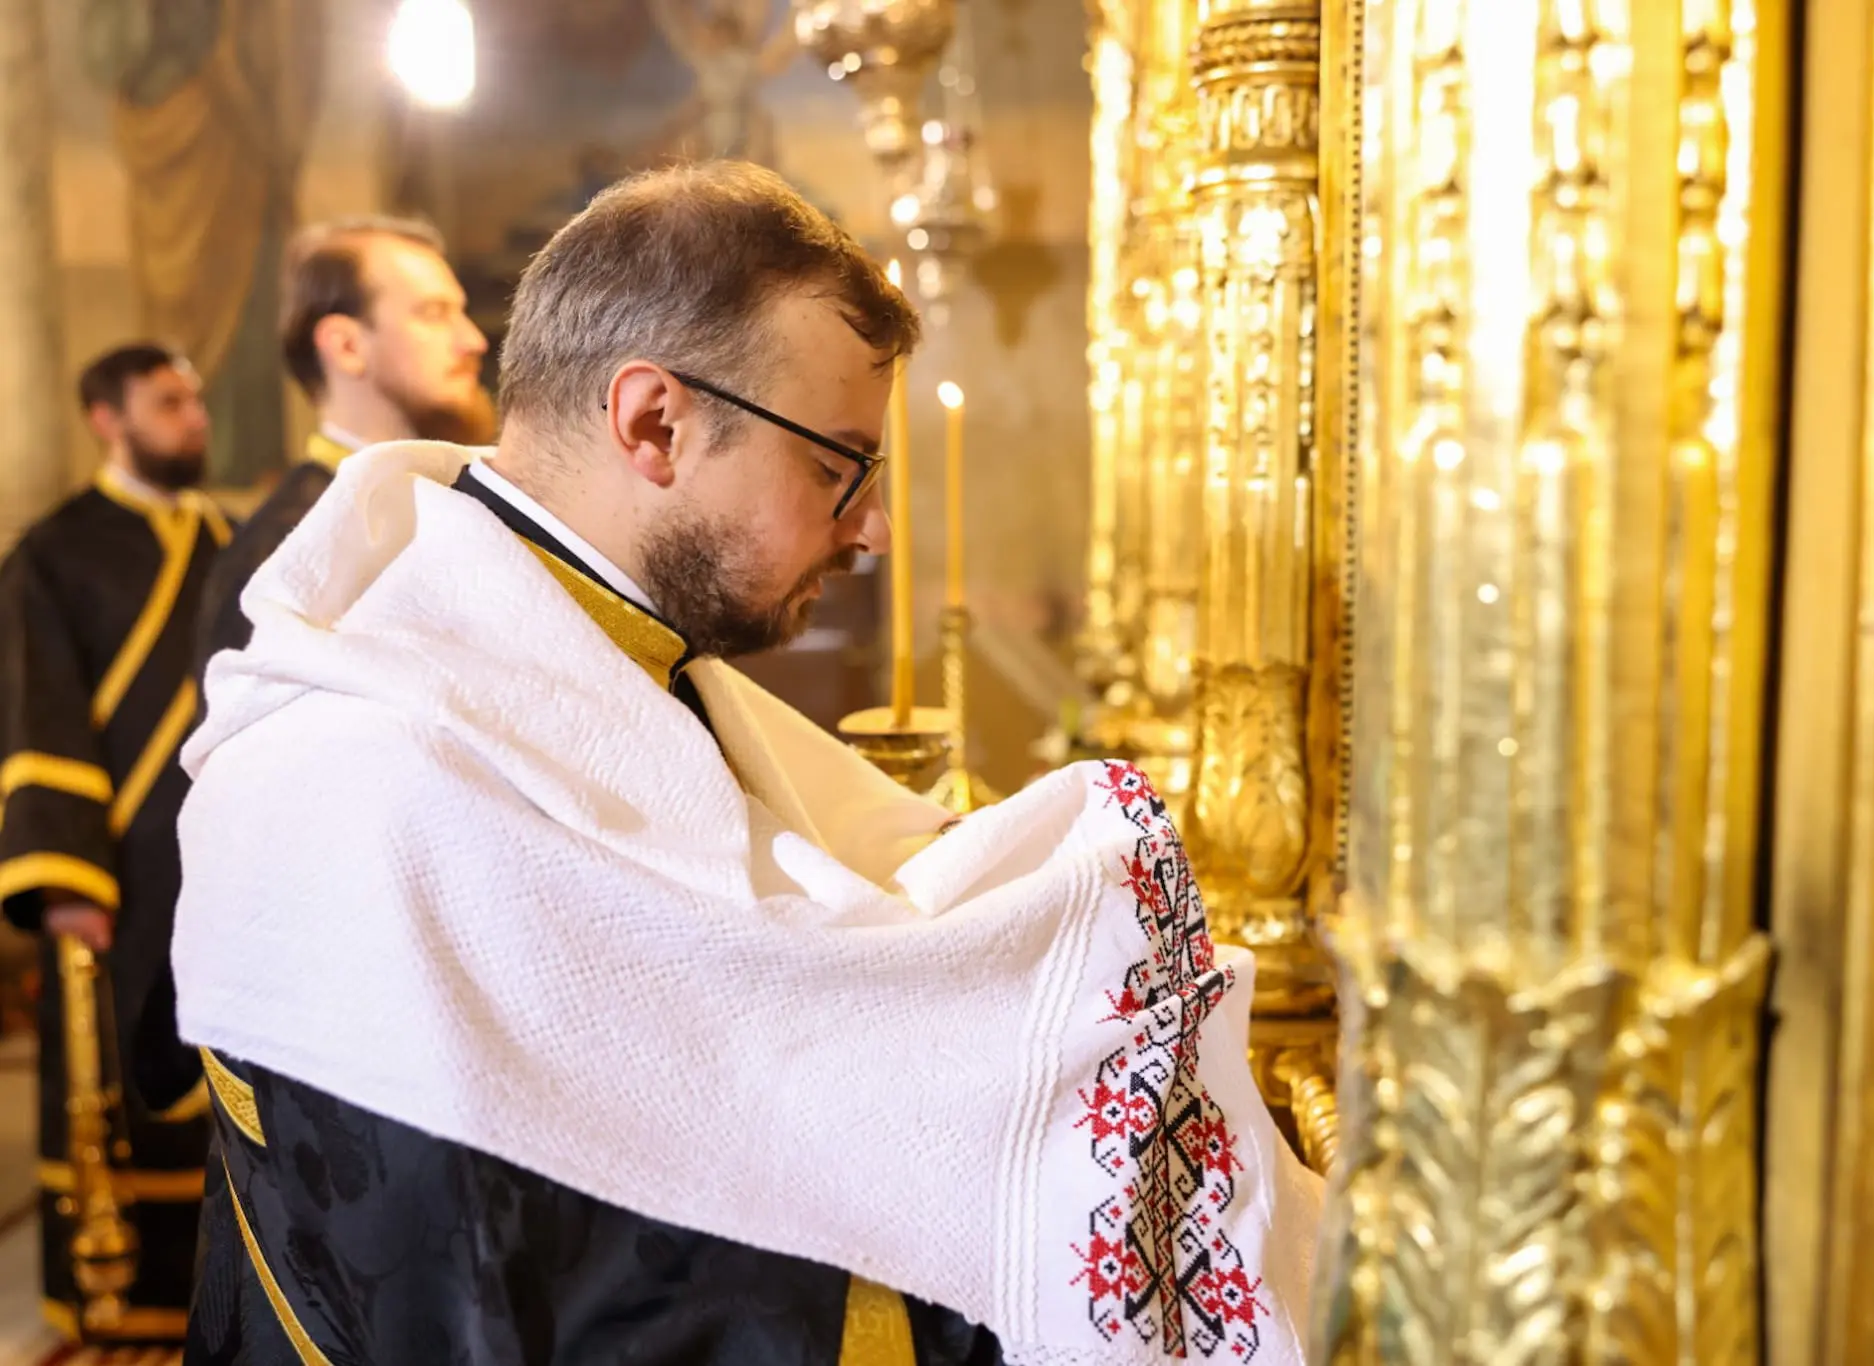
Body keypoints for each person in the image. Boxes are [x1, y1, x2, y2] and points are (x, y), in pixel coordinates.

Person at [173, 163, 1322, 1364]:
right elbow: (497, 1291)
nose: (870, 526)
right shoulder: (373, 787)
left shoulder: (611, 667)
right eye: (837, 463)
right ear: (653, 424)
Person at [0, 343, 229, 1345]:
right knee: (125, 1078)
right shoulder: (52, 553)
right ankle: (127, 1301)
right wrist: (65, 876)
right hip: (120, 877)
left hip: (227, 863)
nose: (194, 418)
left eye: (195, 400)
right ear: (108, 418)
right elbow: (36, 712)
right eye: (168, 403)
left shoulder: (230, 538)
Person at [193, 214, 490, 665]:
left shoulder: (459, 501)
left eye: (461, 312)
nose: (472, 340)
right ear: (347, 347)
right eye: (434, 314)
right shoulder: (282, 548)